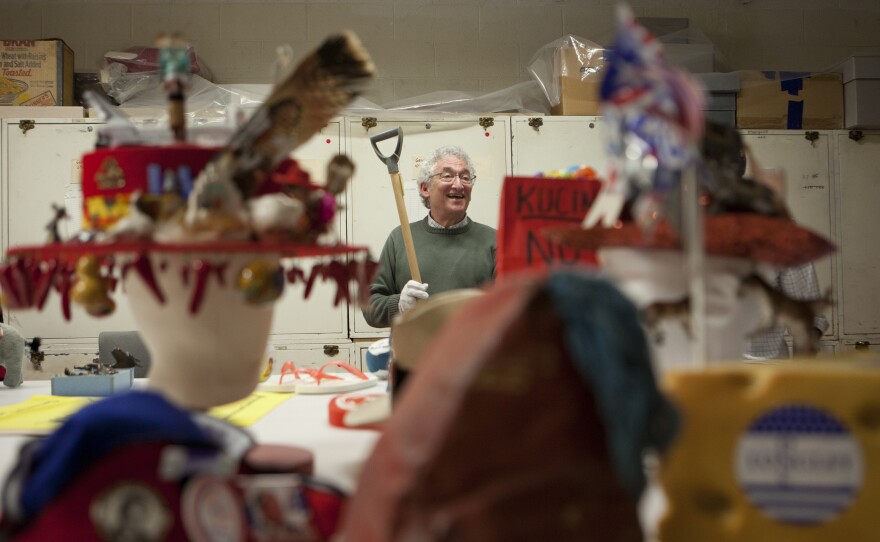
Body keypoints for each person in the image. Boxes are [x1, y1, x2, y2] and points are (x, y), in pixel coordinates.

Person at [363, 145, 496, 328]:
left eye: (465, 177)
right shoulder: (401, 238)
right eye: (447, 176)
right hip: (415, 355)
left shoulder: (493, 241)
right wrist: (399, 305)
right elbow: (370, 307)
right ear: (425, 188)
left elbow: (515, 308)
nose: (458, 184)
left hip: (475, 355)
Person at [744, 262, 829, 359]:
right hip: (725, 360)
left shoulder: (789, 251)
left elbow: (806, 323)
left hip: (768, 362)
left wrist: (799, 368)